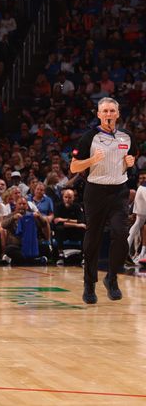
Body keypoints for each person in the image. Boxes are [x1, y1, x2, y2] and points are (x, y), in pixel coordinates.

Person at [70, 98, 135, 304]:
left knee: (121, 234)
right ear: (99, 114)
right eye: (104, 110)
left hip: (119, 192)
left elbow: (128, 161)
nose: (108, 114)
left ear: (117, 114)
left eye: (112, 110)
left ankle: (112, 278)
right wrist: (91, 161)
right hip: (95, 191)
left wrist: (129, 163)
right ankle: (89, 284)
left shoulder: (127, 137)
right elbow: (73, 167)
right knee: (94, 238)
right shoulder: (89, 137)